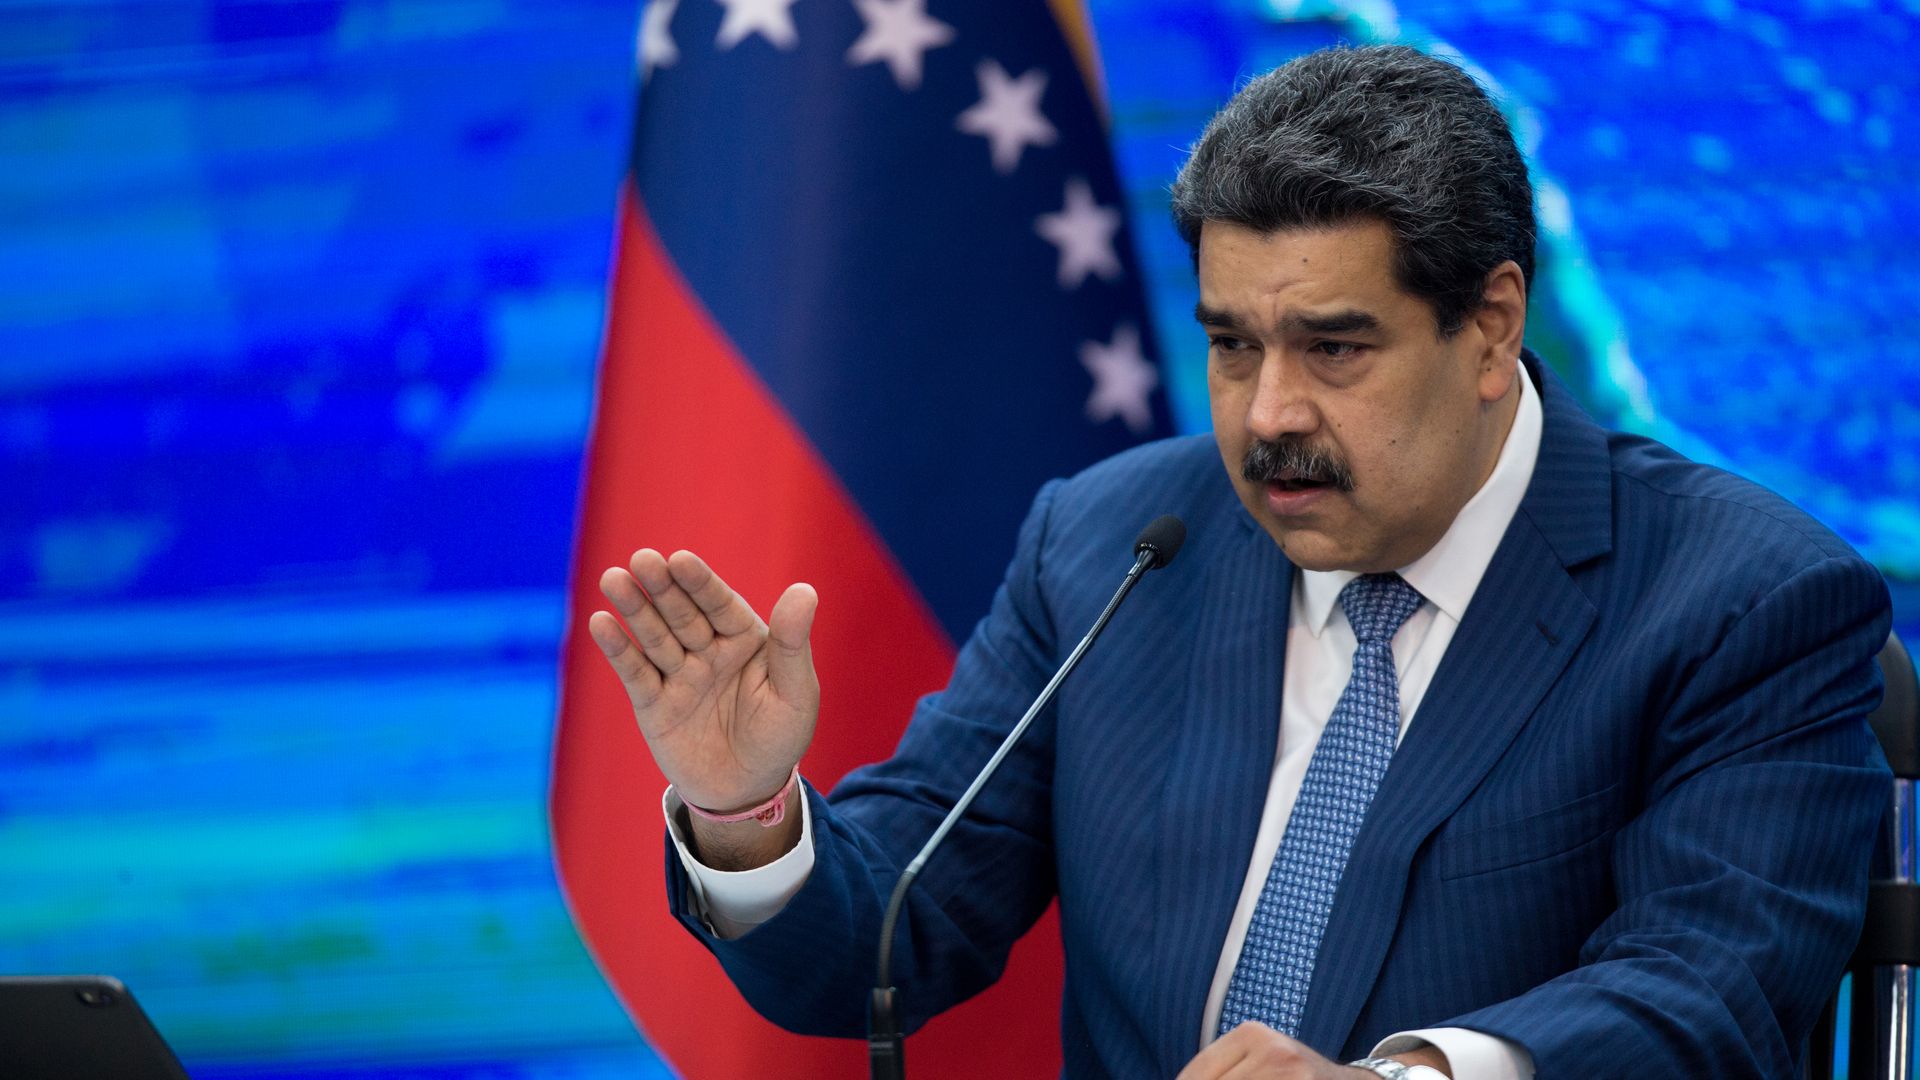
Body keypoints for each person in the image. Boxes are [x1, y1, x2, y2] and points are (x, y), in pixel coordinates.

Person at [584, 45, 1892, 1079]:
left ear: (1490, 329)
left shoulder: (1740, 598)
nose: (1265, 414)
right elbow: (885, 944)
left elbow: (1708, 994)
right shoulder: (1113, 545)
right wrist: (747, 813)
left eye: (1333, 348)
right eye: (1229, 345)